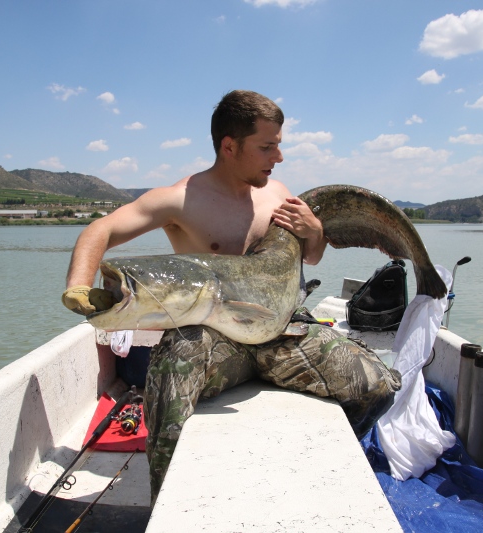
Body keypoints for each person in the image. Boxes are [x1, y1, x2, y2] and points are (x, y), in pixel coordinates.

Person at [62, 90, 401, 504]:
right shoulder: (179, 200)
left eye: (278, 145)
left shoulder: (278, 195)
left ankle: (322, 475)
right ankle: (168, 503)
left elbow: (309, 258)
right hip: (216, 340)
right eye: (267, 146)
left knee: (378, 386)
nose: (278, 156)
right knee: (169, 371)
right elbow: (100, 230)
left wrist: (314, 233)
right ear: (229, 146)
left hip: (283, 329)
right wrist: (79, 286)